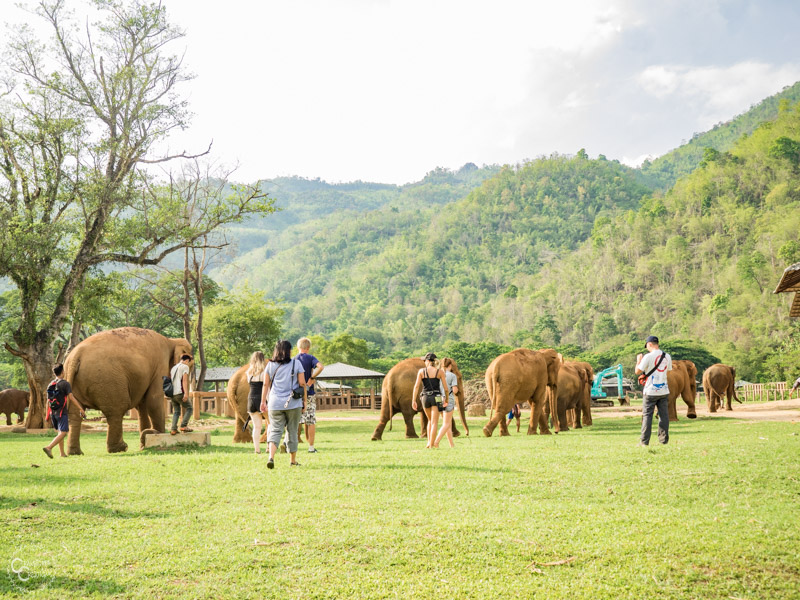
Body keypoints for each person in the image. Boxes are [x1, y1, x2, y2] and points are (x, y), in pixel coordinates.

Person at [261, 340, 307, 469]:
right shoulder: (296, 363)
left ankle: (271, 457)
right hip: (293, 403)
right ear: (289, 351)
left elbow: (265, 384)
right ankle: (292, 461)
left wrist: (263, 401)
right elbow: (302, 383)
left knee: (275, 430)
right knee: (292, 430)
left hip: (274, 403)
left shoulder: (270, 365)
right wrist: (305, 401)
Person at [635, 335, 672, 446]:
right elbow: (668, 372)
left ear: (650, 344)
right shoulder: (667, 356)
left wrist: (638, 361)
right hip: (664, 391)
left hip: (650, 391)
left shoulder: (647, 356)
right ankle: (663, 441)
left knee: (647, 416)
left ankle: (644, 442)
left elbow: (637, 371)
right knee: (664, 416)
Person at [42, 363, 85, 458]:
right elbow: (71, 397)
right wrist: (81, 408)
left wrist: (47, 415)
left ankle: (62, 454)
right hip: (62, 412)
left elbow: (48, 401)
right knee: (64, 432)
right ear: (62, 372)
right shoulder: (65, 384)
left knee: (60, 432)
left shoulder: (51, 384)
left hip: (53, 413)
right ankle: (49, 447)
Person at [411, 352, 449, 449]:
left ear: (428, 361)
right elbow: (446, 389)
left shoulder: (421, 371)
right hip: (436, 396)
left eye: (425, 361)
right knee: (434, 422)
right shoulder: (440, 372)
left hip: (425, 397)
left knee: (429, 420)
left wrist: (413, 400)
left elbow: (416, 387)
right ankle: (432, 444)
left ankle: (429, 443)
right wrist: (446, 399)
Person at [294, 337, 324, 453]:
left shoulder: (293, 360)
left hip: (296, 393)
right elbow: (321, 367)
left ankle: (289, 444)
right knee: (310, 420)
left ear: (298, 347)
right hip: (309, 393)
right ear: (308, 348)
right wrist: (312, 378)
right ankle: (311, 447)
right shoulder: (311, 358)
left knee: (295, 420)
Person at [433, 357, 459, 448]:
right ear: (450, 366)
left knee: (447, 423)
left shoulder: (437, 374)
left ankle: (451, 444)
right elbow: (455, 390)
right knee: (447, 423)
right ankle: (436, 442)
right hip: (448, 400)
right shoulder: (452, 375)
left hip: (438, 399)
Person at [246, 351, 268, 454]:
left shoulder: (249, 372)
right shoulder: (265, 372)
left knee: (257, 427)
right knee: (271, 423)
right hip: (261, 399)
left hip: (251, 399)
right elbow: (266, 387)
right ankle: (269, 447)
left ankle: (257, 449)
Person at [169, 354, 194, 435]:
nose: (188, 364)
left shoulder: (173, 368)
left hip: (172, 393)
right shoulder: (185, 367)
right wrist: (186, 393)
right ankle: (183, 425)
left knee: (176, 412)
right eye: (188, 362)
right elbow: (184, 381)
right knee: (190, 408)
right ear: (186, 360)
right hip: (180, 392)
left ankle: (173, 429)